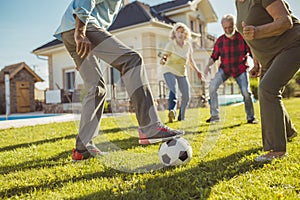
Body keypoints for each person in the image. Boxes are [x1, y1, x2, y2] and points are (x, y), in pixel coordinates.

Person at [54, 0, 184, 161]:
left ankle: (83, 148)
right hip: (80, 27)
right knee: (132, 60)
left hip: (69, 31)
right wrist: (80, 32)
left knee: (97, 88)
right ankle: (149, 126)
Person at [235, 0, 299, 162]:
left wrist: (257, 31)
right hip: (268, 57)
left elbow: (285, 21)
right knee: (268, 91)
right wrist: (256, 62)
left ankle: (276, 150)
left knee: (267, 88)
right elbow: (248, 36)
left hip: (292, 44)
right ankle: (289, 132)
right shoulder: (238, 2)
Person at [204, 14, 258, 124]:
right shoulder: (220, 41)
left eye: (230, 27)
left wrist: (257, 65)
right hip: (225, 69)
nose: (228, 30)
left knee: (246, 92)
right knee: (212, 87)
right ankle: (214, 116)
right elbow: (214, 56)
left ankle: (250, 117)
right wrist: (207, 66)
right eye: (225, 28)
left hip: (240, 69)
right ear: (222, 27)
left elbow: (252, 53)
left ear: (234, 25)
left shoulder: (242, 38)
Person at [160, 23, 204, 123]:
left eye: (182, 32)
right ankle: (172, 111)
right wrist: (163, 59)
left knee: (186, 95)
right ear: (174, 33)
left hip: (181, 72)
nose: (180, 34)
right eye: (178, 32)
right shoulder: (171, 44)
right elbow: (165, 56)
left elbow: (190, 61)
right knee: (173, 90)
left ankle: (182, 116)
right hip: (169, 70)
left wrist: (198, 71)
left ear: (186, 34)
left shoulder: (188, 46)